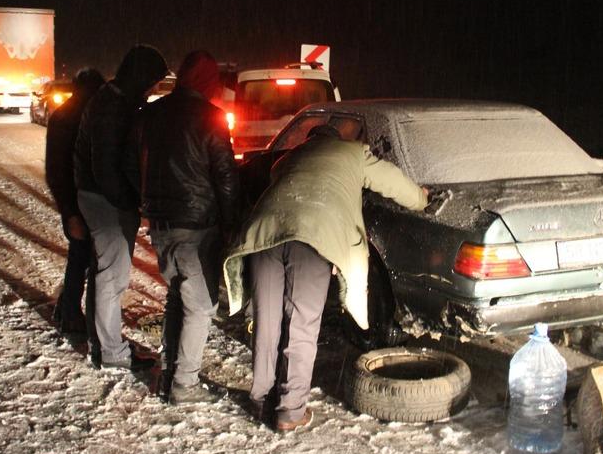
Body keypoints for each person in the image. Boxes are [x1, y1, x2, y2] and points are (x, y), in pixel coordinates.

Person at [223, 124, 428, 431]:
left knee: (268, 320)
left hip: (264, 236)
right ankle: (289, 411)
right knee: (301, 323)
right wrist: (421, 199)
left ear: (310, 140)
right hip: (313, 236)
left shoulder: (288, 158)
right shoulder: (353, 152)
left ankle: (262, 396)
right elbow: (392, 182)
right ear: (336, 138)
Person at [138, 50, 239, 404]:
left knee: (176, 299)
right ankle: (184, 384)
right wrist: (230, 223)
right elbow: (225, 176)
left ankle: (167, 369)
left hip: (161, 225)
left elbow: (139, 162)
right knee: (201, 306)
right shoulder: (211, 117)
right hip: (195, 226)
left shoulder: (152, 114)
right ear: (208, 82)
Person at [75, 45, 168, 370]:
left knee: (106, 272)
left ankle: (101, 344)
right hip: (105, 201)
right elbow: (106, 169)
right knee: (111, 276)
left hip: (101, 196)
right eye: (154, 81)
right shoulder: (112, 107)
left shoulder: (117, 100)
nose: (155, 88)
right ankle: (112, 353)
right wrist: (131, 203)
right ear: (140, 75)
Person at [45, 67, 106, 344]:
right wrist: (70, 212)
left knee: (81, 257)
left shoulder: (66, 113)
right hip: (81, 200)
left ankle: (69, 309)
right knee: (83, 258)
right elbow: (57, 169)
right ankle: (70, 312)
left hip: (78, 199)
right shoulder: (80, 115)